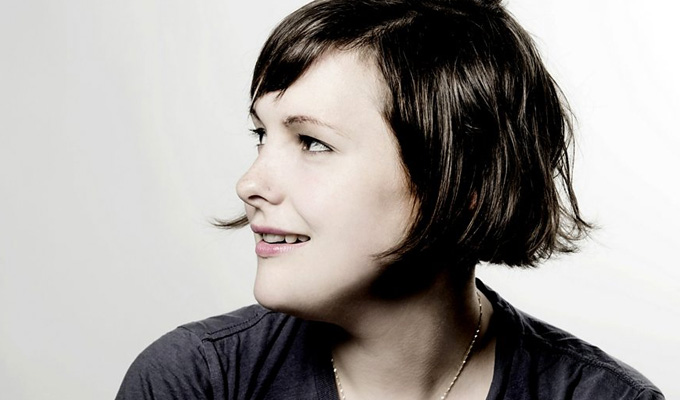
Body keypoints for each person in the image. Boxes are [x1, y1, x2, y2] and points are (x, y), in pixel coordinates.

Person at [116, 0, 664, 399]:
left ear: (463, 183)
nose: (250, 184)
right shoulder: (199, 380)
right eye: (262, 135)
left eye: (312, 142)